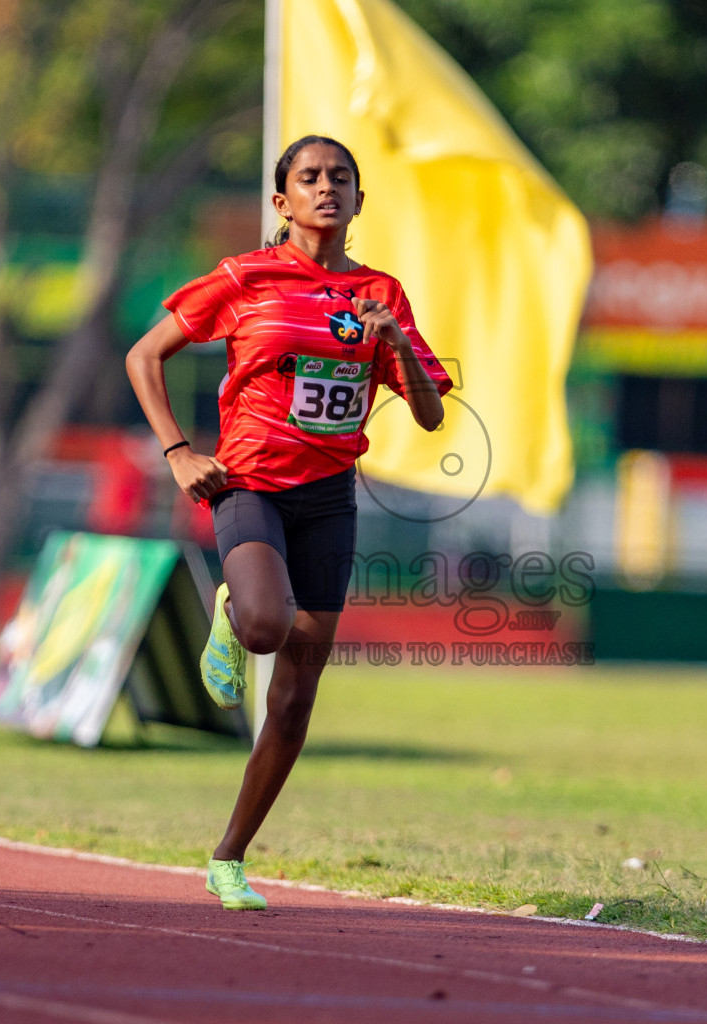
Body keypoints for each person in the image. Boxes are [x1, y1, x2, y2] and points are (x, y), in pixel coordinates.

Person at [126, 136, 451, 911]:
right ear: (282, 203)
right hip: (248, 485)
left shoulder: (382, 294)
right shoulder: (247, 278)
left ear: (360, 201)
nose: (326, 188)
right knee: (267, 628)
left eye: (341, 178)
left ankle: (229, 856)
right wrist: (177, 452)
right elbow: (146, 355)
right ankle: (233, 608)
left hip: (330, 498)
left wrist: (395, 344)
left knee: (296, 699)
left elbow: (432, 414)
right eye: (309, 178)